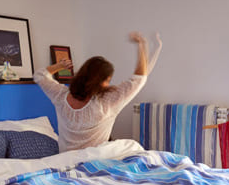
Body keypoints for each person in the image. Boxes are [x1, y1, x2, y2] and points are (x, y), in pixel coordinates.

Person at [34, 31, 162, 152]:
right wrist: (141, 45)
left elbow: (39, 75)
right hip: (96, 161)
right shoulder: (106, 102)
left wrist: (59, 66)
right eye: (108, 80)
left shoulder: (60, 95)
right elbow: (138, 79)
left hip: (65, 160)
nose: (108, 85)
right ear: (101, 81)